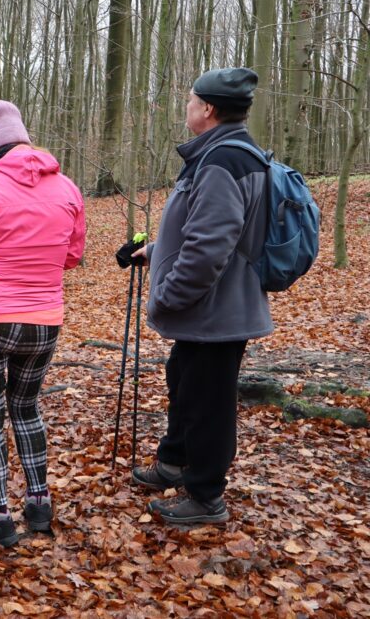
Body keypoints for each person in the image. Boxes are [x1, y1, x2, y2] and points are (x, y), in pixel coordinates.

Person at [130, 68, 272, 525]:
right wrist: (152, 251)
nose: (186, 107)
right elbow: (201, 230)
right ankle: (174, 461)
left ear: (208, 108)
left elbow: (210, 246)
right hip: (210, 310)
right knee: (184, 383)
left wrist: (168, 295)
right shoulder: (220, 155)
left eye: (190, 100)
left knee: (208, 401)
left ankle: (206, 495)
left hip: (216, 311)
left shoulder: (222, 161)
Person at [0, 101, 85, 546]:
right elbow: (72, 256)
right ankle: (39, 504)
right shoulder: (67, 188)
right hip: (44, 320)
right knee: (26, 409)